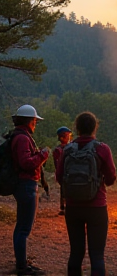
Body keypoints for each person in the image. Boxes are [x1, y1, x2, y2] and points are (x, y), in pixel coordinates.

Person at [56, 111, 116, 276]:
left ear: (76, 128)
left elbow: (59, 177)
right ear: (94, 128)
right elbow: (111, 178)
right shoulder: (102, 149)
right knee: (97, 255)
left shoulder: (67, 149)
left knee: (76, 253)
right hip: (97, 207)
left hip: (73, 208)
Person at [11, 104, 49, 276]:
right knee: (23, 228)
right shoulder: (23, 139)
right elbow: (26, 163)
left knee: (22, 227)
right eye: (34, 120)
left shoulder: (19, 136)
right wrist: (42, 155)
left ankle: (22, 263)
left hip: (24, 185)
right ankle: (22, 267)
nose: (35, 123)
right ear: (28, 121)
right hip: (26, 186)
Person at [52, 126, 72, 215]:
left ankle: (68, 206)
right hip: (64, 173)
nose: (69, 137)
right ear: (62, 137)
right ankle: (63, 207)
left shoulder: (70, 147)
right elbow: (58, 163)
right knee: (64, 190)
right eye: (68, 135)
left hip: (69, 172)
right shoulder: (58, 150)